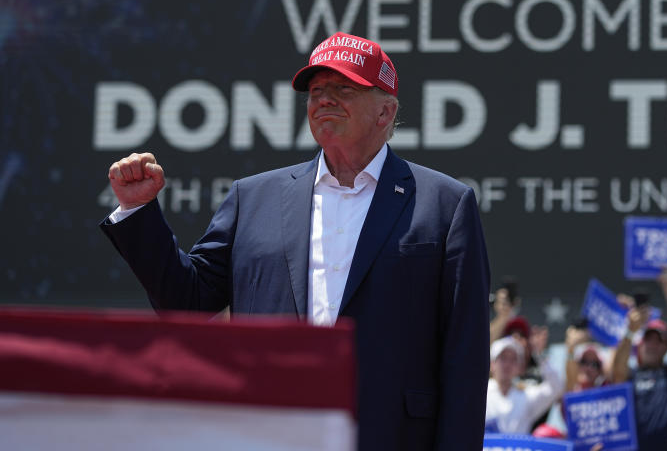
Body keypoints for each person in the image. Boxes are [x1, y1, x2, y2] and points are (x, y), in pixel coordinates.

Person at [100, 32, 491, 451]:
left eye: (344, 88)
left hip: (389, 435)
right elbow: (188, 301)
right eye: (316, 91)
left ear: (385, 111)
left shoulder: (444, 204)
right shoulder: (253, 198)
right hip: (271, 431)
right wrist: (139, 213)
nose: (324, 99)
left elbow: (464, 357)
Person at [611, 267, 667, 451]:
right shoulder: (632, 376)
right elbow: (617, 370)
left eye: (659, 341)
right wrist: (630, 330)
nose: (652, 345)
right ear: (639, 344)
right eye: (648, 339)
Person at [485, 336, 563, 434]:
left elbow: (556, 387)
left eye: (513, 359)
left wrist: (539, 355)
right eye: (503, 358)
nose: (507, 364)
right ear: (492, 364)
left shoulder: (526, 396)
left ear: (519, 367)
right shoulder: (479, 393)